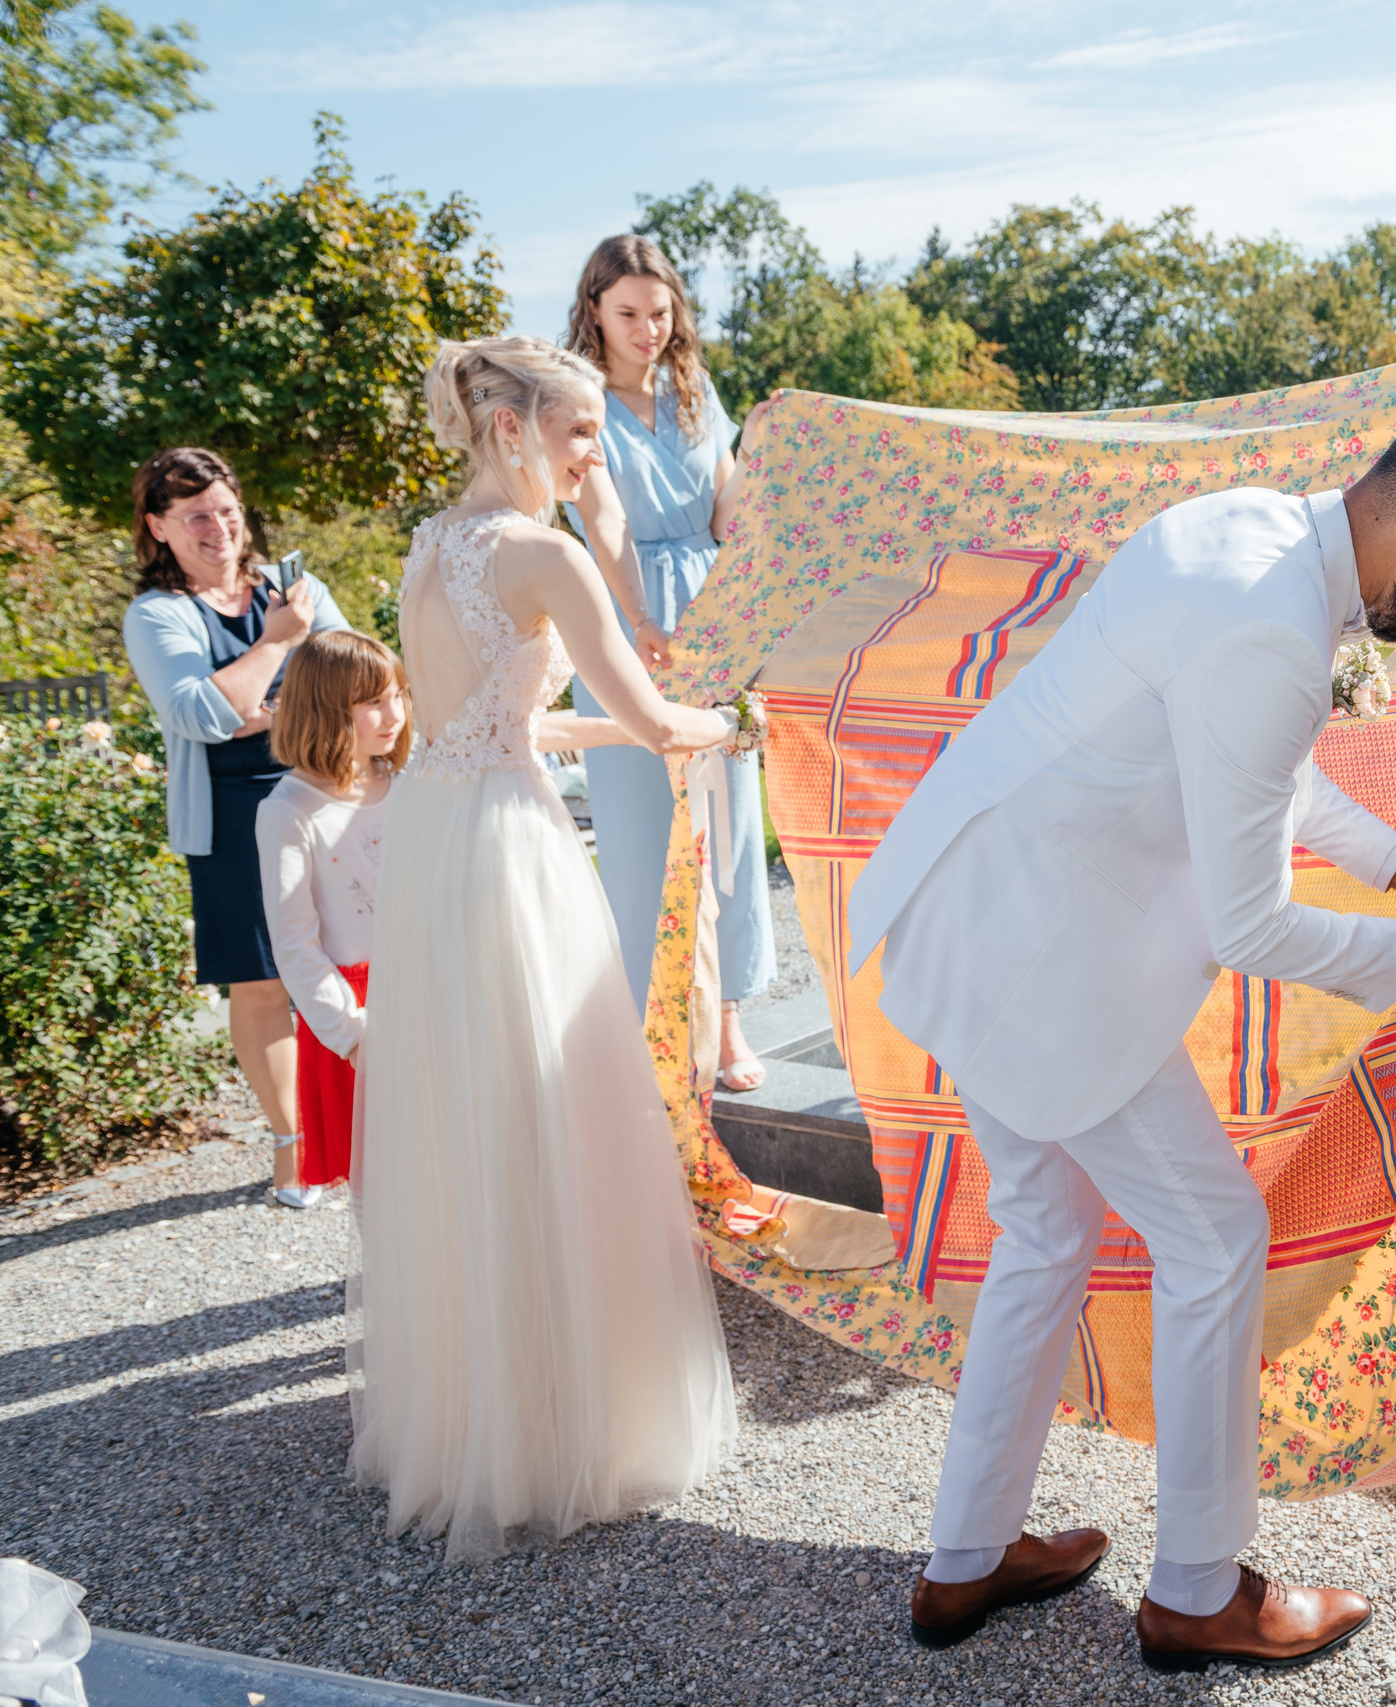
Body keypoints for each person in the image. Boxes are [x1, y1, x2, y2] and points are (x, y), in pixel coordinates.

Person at [849, 400, 1396, 1669]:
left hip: (973, 913)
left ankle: (964, 1561)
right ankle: (1196, 1590)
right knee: (1215, 1237)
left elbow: (1265, 774)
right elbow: (1251, 925)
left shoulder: (1242, 529)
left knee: (1045, 1233)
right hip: (1050, 968)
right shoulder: (1275, 630)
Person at [350, 334, 744, 1560]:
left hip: (439, 835)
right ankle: (571, 1417)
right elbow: (649, 712)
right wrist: (729, 719)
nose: (594, 456)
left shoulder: (433, 546)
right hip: (511, 851)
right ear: (513, 426)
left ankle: (487, 1413)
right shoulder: (546, 555)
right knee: (551, 1102)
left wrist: (645, 730)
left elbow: (496, 722)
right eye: (580, 432)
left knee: (474, 1112)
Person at [563, 233, 775, 1089]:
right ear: (594, 310)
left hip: (714, 609)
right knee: (640, 826)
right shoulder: (576, 399)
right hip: (622, 615)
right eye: (628, 313)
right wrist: (642, 615)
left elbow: (724, 513)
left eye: (660, 312)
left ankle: (728, 1022)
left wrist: (761, 446)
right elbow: (605, 519)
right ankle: (658, 1027)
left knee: (727, 819)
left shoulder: (695, 388)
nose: (648, 329)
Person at [122, 447, 353, 1207]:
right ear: (158, 526)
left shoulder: (294, 586)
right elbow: (197, 714)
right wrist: (280, 645)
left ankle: (365, 1125)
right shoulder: (158, 614)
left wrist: (253, 708)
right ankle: (295, 1146)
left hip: (324, 797)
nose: (218, 527)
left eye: (226, 510)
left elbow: (351, 679)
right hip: (229, 818)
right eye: (195, 516)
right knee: (261, 981)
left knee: (350, 959)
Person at [255, 632, 409, 1198]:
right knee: (385, 1187)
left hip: (430, 992)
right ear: (323, 708)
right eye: (373, 702)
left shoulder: (410, 787)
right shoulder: (289, 810)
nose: (394, 715)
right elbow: (295, 942)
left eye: (398, 696)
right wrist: (352, 1036)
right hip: (357, 1016)